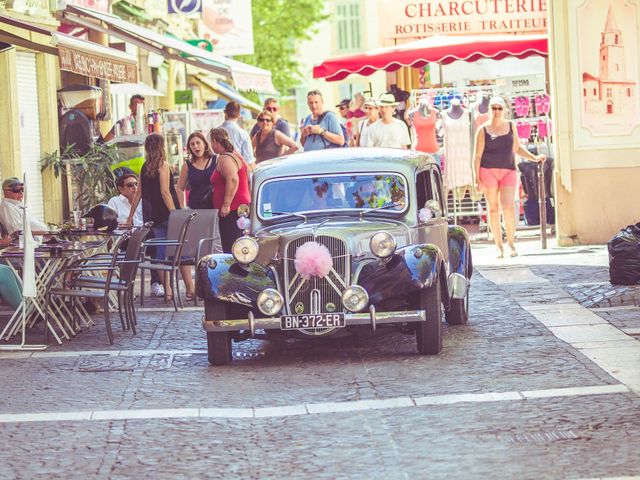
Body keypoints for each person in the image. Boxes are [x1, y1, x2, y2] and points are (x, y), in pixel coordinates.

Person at [474, 96, 546, 258]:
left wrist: (534, 158)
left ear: (505, 109)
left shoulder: (511, 126)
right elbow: (477, 156)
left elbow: (517, 148)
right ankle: (499, 247)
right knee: (493, 209)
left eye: (500, 108)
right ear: (489, 109)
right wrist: (477, 178)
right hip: (488, 171)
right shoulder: (483, 130)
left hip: (508, 171)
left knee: (508, 207)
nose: (497, 111)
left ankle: (512, 244)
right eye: (494, 108)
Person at [127, 134, 194, 301]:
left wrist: (130, 217)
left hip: (153, 215)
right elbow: (165, 192)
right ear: (161, 146)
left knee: (161, 253)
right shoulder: (162, 165)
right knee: (181, 250)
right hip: (167, 214)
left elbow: (138, 194)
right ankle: (190, 289)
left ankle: (168, 290)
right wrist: (174, 213)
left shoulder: (145, 167)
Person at [108, 169, 164, 297]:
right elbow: (111, 223)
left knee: (157, 244)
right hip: (124, 239)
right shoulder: (114, 202)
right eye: (130, 185)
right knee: (125, 252)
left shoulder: (143, 201)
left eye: (136, 184)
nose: (134, 187)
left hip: (143, 236)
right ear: (121, 189)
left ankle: (156, 284)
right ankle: (125, 286)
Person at [209, 128, 251, 253]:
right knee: (239, 245)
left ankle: (234, 272)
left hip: (231, 210)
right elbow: (249, 175)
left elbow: (233, 179)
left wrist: (226, 204)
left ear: (215, 141)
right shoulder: (236, 155)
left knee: (231, 248)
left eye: (211, 142)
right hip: (240, 207)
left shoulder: (224, 158)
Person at [176, 132, 216, 209]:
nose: (195, 146)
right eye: (192, 144)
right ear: (189, 147)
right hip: (194, 207)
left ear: (204, 143)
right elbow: (179, 188)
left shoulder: (216, 160)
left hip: (214, 206)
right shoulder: (187, 165)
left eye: (198, 143)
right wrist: (182, 207)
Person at [220, 101, 255, 166]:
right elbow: (249, 160)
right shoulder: (244, 134)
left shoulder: (214, 132)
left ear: (225, 112)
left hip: (219, 169)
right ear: (239, 115)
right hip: (238, 170)